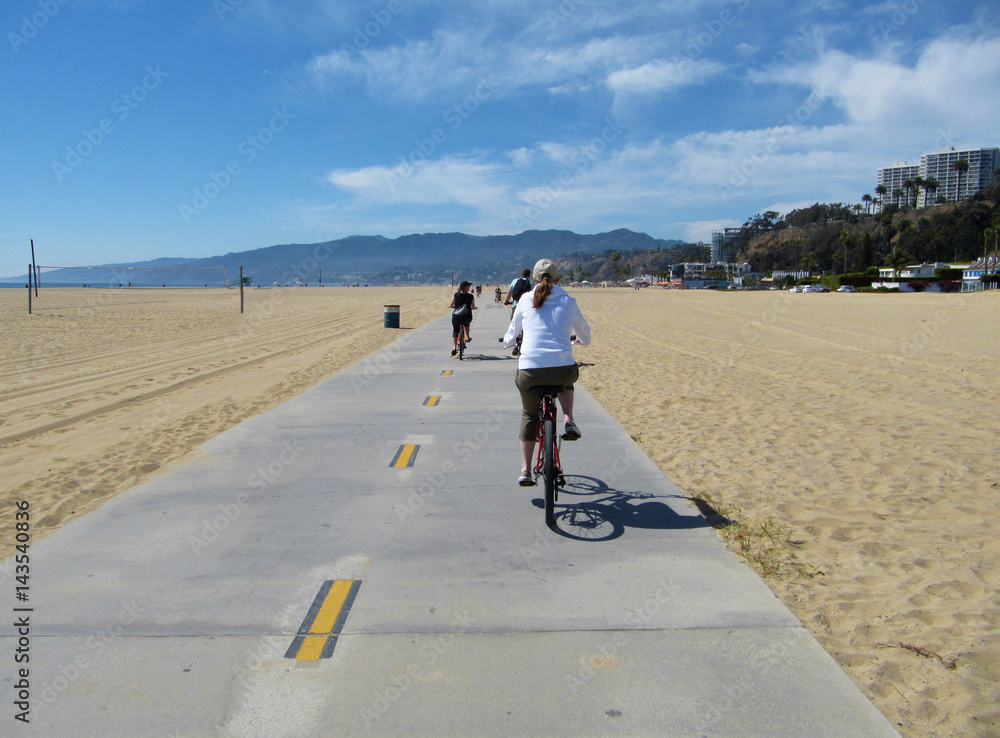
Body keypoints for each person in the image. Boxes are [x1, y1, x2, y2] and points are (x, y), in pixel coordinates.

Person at [502, 259, 591, 486]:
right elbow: (586, 334)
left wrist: (507, 342)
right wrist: (581, 340)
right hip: (561, 370)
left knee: (529, 414)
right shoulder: (568, 301)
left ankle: (525, 470)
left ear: (534, 280)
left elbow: (512, 333)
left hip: (530, 371)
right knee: (566, 375)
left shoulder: (524, 299)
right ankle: (568, 419)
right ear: (558, 279)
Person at [449, 280, 477, 356]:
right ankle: (467, 336)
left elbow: (451, 305)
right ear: (466, 288)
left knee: (455, 330)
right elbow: (473, 306)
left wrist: (451, 307)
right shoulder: (470, 296)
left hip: (456, 316)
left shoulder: (456, 295)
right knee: (467, 323)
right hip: (466, 316)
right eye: (468, 286)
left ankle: (454, 347)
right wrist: (474, 308)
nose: (469, 287)